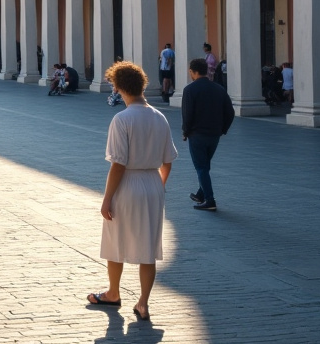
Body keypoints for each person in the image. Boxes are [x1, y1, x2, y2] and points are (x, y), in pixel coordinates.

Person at [87, 62, 178, 322]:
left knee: (116, 242)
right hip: (152, 183)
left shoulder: (122, 119)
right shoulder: (159, 117)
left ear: (118, 87)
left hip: (127, 184)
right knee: (148, 247)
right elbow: (168, 161)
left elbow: (118, 164)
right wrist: (157, 187)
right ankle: (143, 303)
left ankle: (113, 292)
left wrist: (106, 198)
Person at [181, 58, 234, 212]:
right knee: (205, 165)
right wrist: (223, 129)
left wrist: (185, 131)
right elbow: (230, 112)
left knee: (201, 167)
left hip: (197, 135)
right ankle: (200, 194)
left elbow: (187, 114)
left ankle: (209, 200)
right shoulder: (219, 89)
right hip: (214, 135)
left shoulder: (190, 90)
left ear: (192, 71)